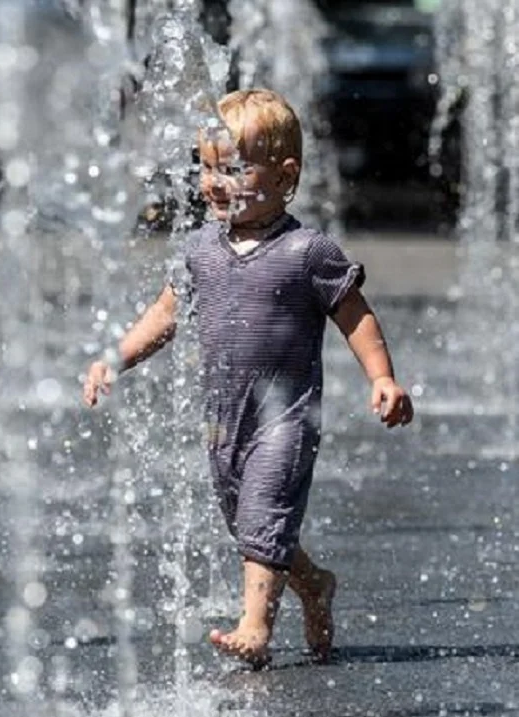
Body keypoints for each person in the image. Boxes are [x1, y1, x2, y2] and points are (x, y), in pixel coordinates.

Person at [82, 88, 413, 667]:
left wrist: (382, 377)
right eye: (206, 166)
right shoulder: (199, 251)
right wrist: (115, 356)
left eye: (233, 168)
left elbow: (354, 313)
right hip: (224, 421)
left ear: (285, 176)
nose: (214, 182)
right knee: (253, 524)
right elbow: (165, 314)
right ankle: (313, 584)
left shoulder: (308, 252)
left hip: (286, 418)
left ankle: (255, 626)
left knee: (264, 510)